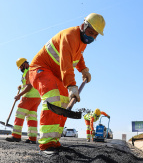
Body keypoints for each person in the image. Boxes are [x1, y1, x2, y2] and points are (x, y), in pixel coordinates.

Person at [29, 13, 106, 157]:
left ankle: (53, 142)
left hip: (55, 75)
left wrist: (83, 69)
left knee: (64, 101)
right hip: (40, 69)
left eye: (95, 35)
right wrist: (71, 86)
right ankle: (45, 145)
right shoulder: (70, 35)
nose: (92, 37)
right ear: (84, 26)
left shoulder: (82, 42)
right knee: (53, 97)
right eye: (90, 33)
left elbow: (78, 55)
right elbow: (66, 63)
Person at [6, 58, 41, 144]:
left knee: (19, 113)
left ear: (25, 64)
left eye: (21, 67)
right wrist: (21, 86)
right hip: (37, 98)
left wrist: (19, 95)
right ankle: (32, 138)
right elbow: (27, 84)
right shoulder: (33, 70)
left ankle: (16, 136)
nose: (21, 69)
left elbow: (29, 86)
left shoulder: (29, 71)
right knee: (31, 117)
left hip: (29, 97)